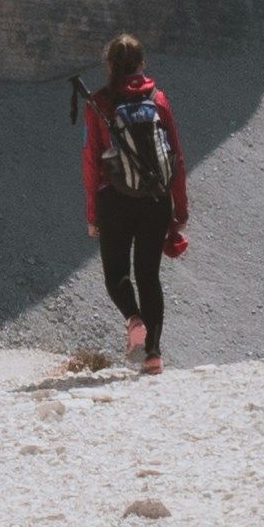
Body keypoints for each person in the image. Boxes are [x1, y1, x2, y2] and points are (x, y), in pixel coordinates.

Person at [80, 31, 188, 371]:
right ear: (141, 64)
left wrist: (93, 214)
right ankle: (153, 356)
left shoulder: (99, 102)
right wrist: (180, 209)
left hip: (114, 200)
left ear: (110, 65)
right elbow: (177, 158)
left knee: (116, 274)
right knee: (149, 275)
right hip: (155, 201)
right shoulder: (158, 100)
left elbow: (91, 160)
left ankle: (133, 318)